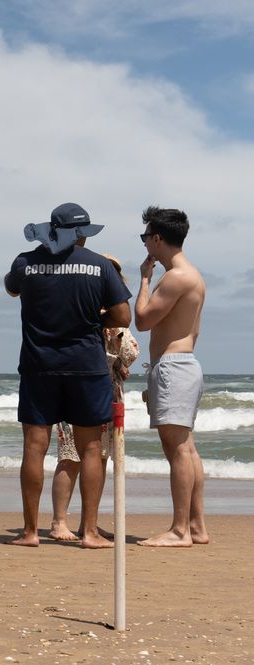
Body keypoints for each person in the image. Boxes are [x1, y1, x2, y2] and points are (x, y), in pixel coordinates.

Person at [4, 202, 131, 549]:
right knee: (90, 447)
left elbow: (11, 288)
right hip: (85, 366)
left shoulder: (26, 261)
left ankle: (31, 532)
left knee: (34, 446)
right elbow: (123, 315)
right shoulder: (99, 266)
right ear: (80, 235)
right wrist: (93, 321)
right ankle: (89, 532)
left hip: (38, 364)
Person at [49, 254, 140, 541]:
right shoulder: (81, 312)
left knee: (97, 458)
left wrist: (115, 338)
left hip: (106, 393)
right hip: (78, 386)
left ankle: (89, 521)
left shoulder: (117, 321)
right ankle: (59, 521)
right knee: (70, 457)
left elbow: (130, 355)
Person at [134, 206, 208, 547]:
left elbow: (144, 320)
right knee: (186, 448)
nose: (145, 242)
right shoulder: (191, 273)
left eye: (145, 236)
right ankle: (195, 526)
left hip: (174, 367)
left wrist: (145, 280)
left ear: (157, 238)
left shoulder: (176, 276)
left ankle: (180, 530)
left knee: (177, 448)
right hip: (181, 365)